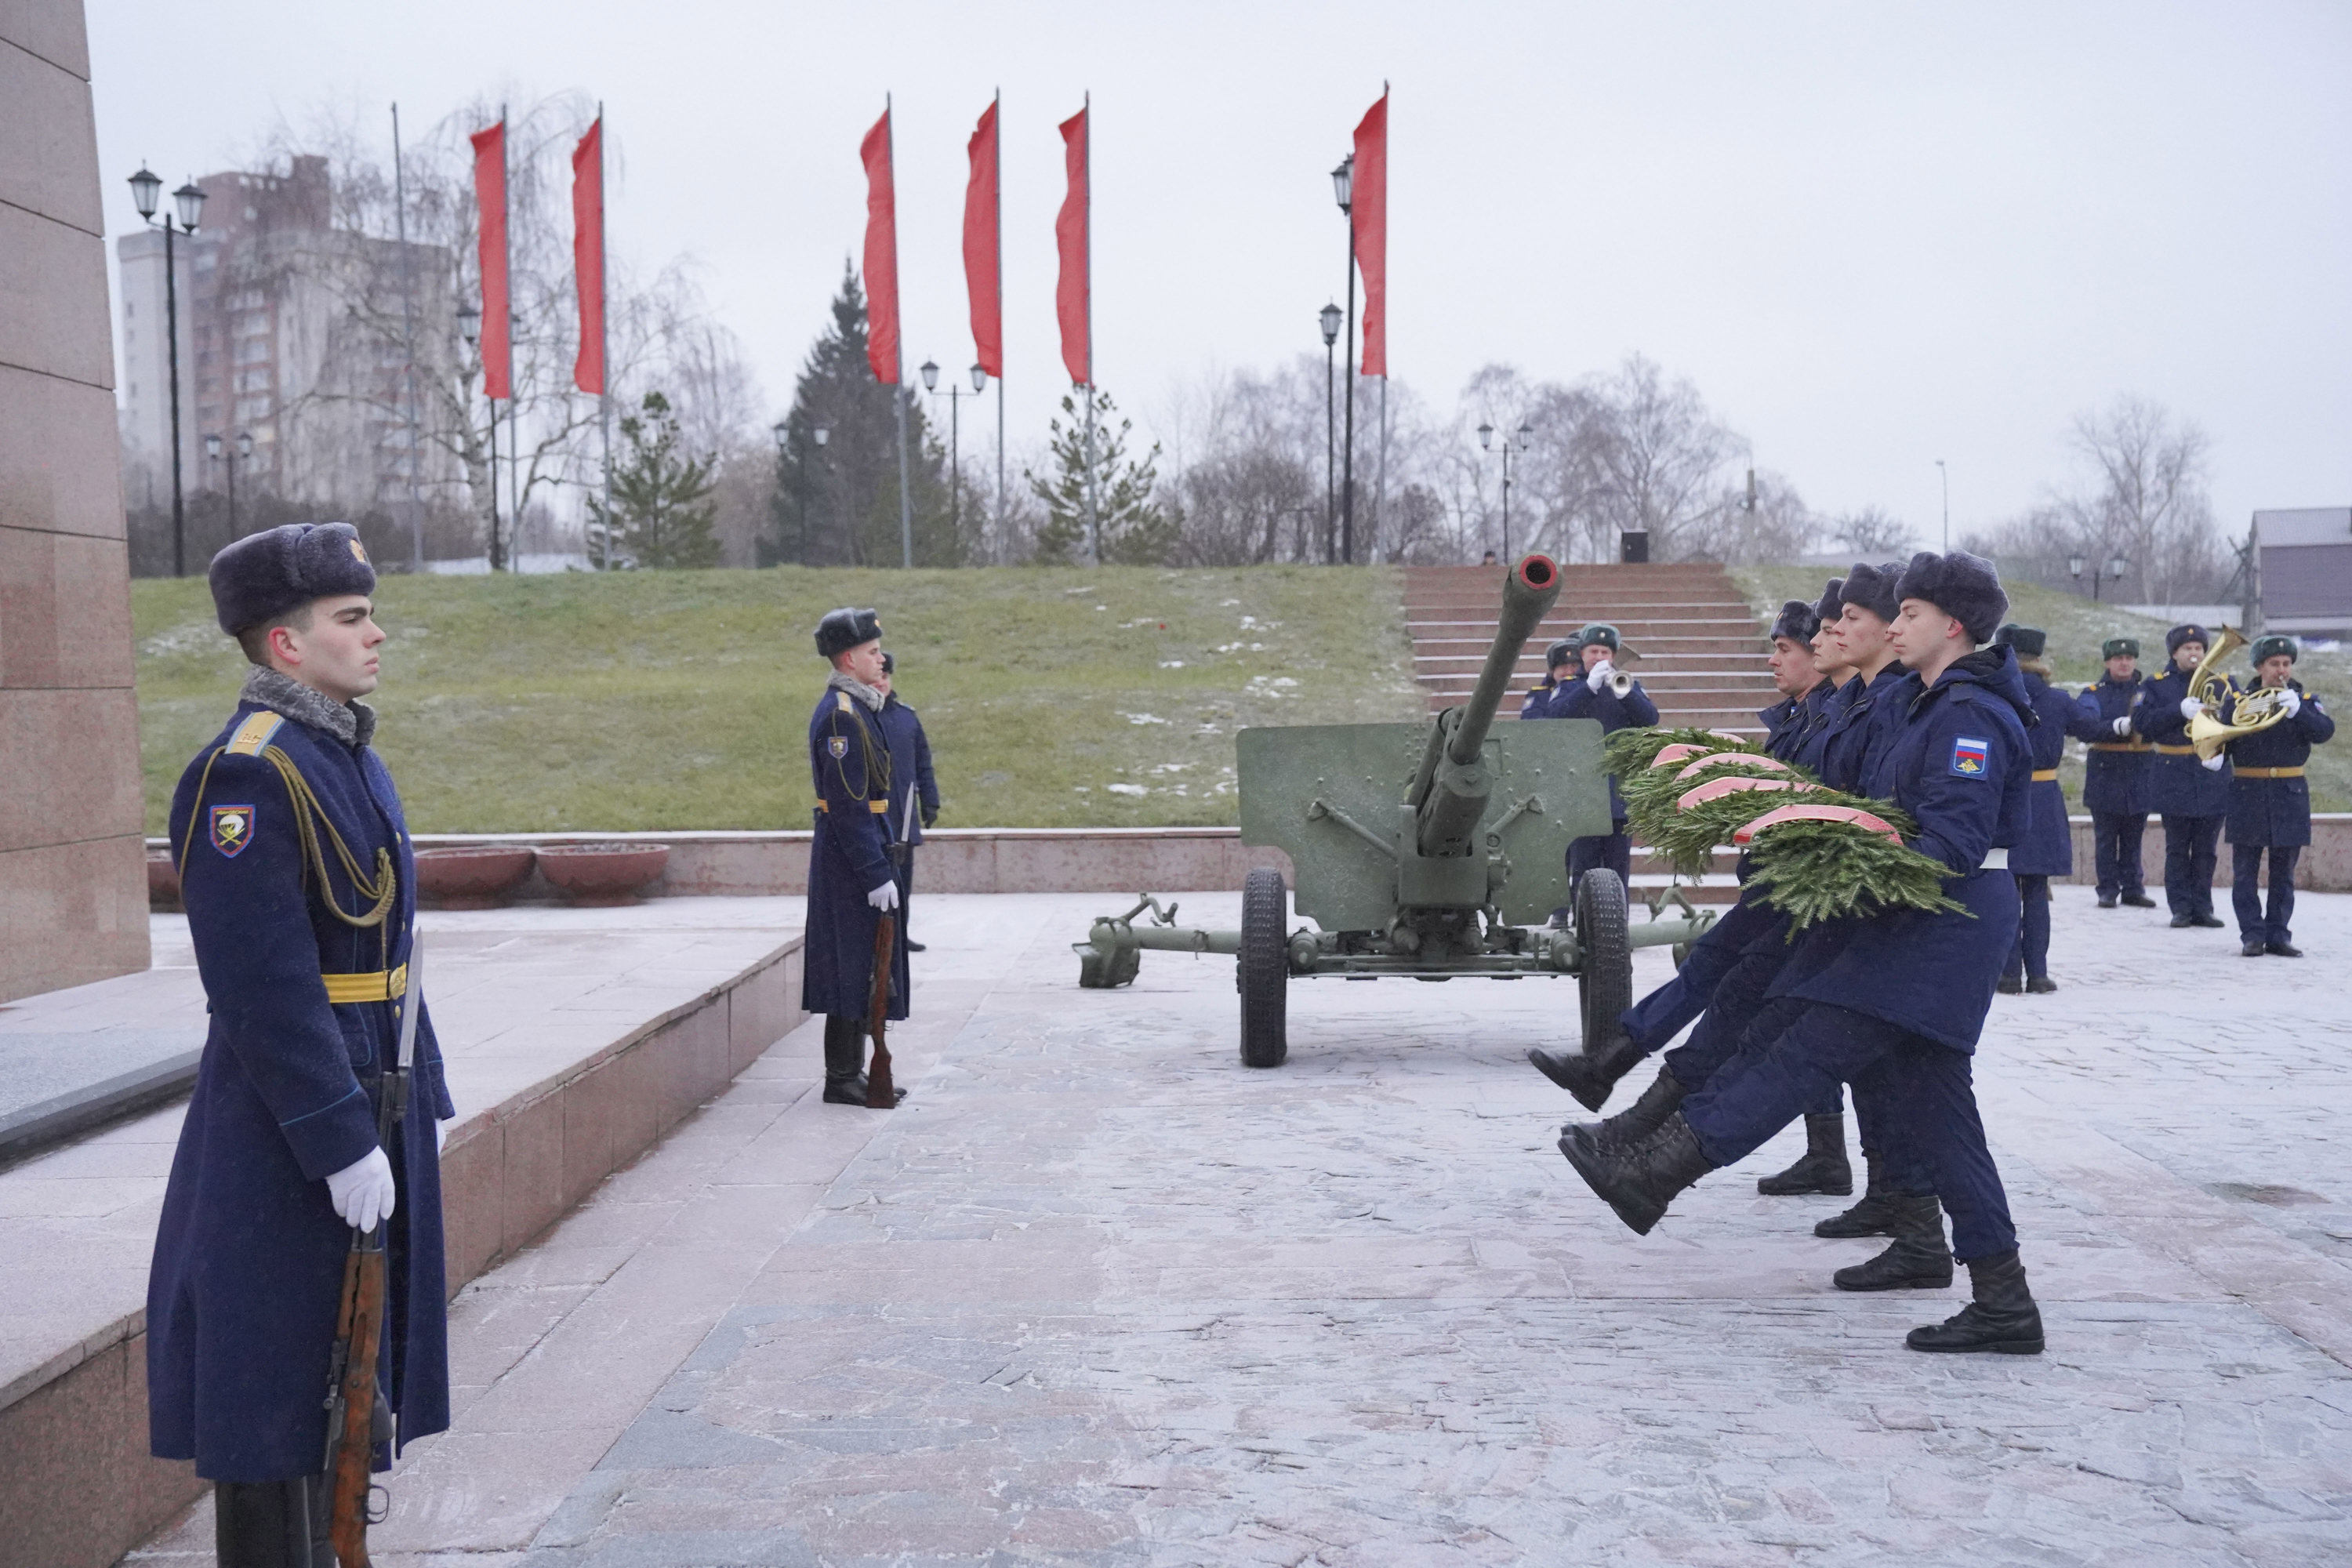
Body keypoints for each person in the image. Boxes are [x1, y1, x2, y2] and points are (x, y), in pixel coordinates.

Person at [1562, 550, 2046, 1356]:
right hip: (1909, 925)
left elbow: (1953, 842)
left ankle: (1653, 1174)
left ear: (1952, 626)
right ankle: (2003, 1295)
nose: (1896, 625)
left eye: (1912, 614)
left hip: (1941, 931)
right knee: (1943, 1118)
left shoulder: (1968, 716)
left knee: (1799, 1053)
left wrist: (1844, 849)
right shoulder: (1933, 705)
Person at [150, 522, 455, 1566]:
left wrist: (424, 1101)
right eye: (351, 618)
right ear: (285, 645)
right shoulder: (250, 777)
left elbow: (389, 951)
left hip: (372, 1098)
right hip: (289, 1133)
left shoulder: (341, 753)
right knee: (276, 1398)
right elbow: (262, 986)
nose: (376, 636)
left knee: (345, 1387)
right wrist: (336, 1139)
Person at [1531, 583, 1851, 1109]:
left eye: (1785, 650)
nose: (1773, 660)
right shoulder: (1802, 715)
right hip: (1776, 882)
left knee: (1761, 1013)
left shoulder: (1834, 715)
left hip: (1802, 890)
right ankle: (1616, 1081)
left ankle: (1627, 1097)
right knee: (1745, 1000)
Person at [806, 608, 910, 1106]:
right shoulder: (841, 717)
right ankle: (841, 1076)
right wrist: (873, 871)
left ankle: (852, 1072)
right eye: (872, 651)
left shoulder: (861, 706)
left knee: (865, 963)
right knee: (850, 965)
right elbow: (848, 807)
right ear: (849, 659)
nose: (880, 657)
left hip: (863, 846)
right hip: (849, 858)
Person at [2223, 635, 2335, 956]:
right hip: (2249, 791)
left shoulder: (2305, 700)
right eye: (2274, 664)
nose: (2282, 670)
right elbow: (2226, 731)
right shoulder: (2242, 700)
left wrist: (2298, 711)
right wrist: (2214, 755)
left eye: (2286, 664)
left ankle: (2279, 934)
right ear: (2260, 667)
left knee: (2284, 871)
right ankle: (2252, 934)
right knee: (2245, 871)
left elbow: (2324, 731)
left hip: (2289, 793)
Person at [1548, 623, 1658, 907]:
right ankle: (1582, 927)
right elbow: (1556, 716)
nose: (1598, 656)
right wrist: (1589, 687)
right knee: (1583, 868)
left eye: (1605, 651)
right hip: (1582, 793)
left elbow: (1650, 718)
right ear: (1582, 654)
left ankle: (1617, 927)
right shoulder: (1570, 687)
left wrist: (1626, 694)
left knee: (1618, 869)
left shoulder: (1627, 685)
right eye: (1593, 651)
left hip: (1618, 795)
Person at [2136, 624, 2232, 928]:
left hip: (2210, 774)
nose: (2195, 654)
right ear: (2174, 653)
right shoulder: (2155, 685)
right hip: (2173, 773)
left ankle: (2203, 907)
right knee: (2177, 847)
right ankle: (2180, 907)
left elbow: (2234, 722)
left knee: (2206, 849)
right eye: (2188, 649)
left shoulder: (2221, 684)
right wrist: (2178, 711)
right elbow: (2142, 722)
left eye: (2199, 649)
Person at [1995, 625, 2072, 994]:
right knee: (2037, 892)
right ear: (2039, 659)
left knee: (2006, 889)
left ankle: (2008, 974)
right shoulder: (2057, 699)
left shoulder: (1994, 695)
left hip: (2004, 799)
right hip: (2044, 798)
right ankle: (2038, 974)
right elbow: (2095, 728)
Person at [2068, 637, 2155, 909]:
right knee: (2106, 836)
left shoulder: (2148, 692)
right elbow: (2085, 727)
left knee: (2134, 835)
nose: (2124, 663)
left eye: (2129, 658)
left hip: (2140, 768)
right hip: (2106, 769)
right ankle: (2107, 888)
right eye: (2118, 658)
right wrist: (2114, 728)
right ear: (2107, 661)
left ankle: (2133, 887)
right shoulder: (2095, 693)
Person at [874, 652, 941, 953]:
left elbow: (922, 763)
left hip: (904, 813)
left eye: (886, 678)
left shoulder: (906, 718)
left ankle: (900, 933)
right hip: (876, 815)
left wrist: (930, 801)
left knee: (904, 880)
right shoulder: (861, 718)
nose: (882, 684)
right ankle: (878, 936)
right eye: (877, 678)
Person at [1520, 637, 1579, 720]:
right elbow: (1531, 721)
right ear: (1552, 671)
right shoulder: (1540, 695)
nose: (1569, 672)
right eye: (1563, 667)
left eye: (1574, 666)